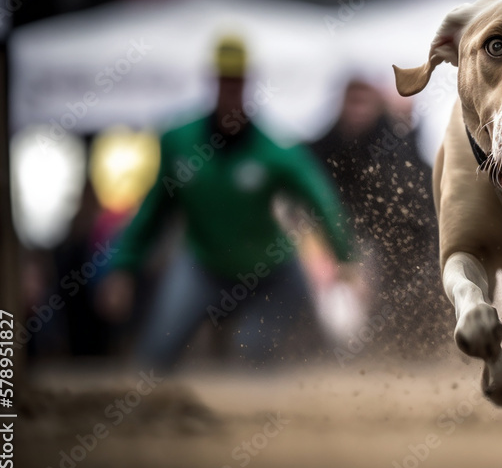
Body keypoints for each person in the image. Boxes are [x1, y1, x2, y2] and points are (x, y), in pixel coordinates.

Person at [97, 35, 356, 371]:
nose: (231, 90)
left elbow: (322, 200)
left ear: (248, 84)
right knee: (154, 355)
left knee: (253, 350)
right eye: (225, 81)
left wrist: (345, 259)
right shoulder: (178, 142)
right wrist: (123, 267)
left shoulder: (276, 150)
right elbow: (152, 211)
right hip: (202, 265)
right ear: (213, 82)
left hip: (270, 271)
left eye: (238, 81)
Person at [311, 79, 448, 352]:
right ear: (341, 104)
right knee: (341, 312)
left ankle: (418, 343)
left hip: (398, 247)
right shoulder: (323, 148)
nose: (358, 111)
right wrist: (328, 259)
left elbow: (419, 203)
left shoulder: (395, 145)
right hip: (342, 246)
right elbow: (305, 206)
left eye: (365, 103)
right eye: (353, 102)